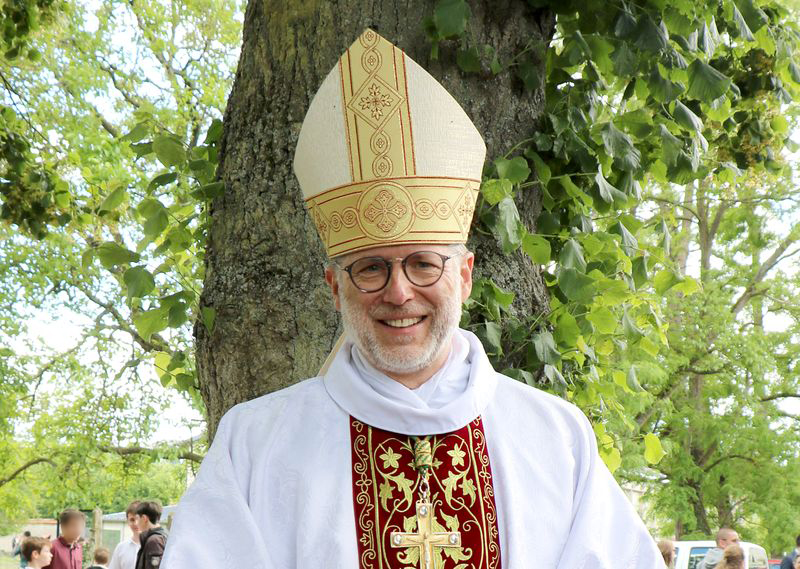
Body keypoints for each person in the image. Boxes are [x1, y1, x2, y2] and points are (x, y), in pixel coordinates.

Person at [162, 27, 664, 568]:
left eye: (424, 263)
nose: (399, 292)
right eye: (370, 268)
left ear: (465, 275)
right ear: (336, 289)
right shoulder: (255, 443)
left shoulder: (555, 438)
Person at [108, 501, 141, 569]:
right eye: (132, 520)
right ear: (127, 521)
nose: (136, 523)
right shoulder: (121, 547)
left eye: (138, 519)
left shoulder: (154, 545)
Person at [134, 501, 167, 569]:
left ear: (144, 518)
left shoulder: (154, 541)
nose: (136, 523)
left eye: (137, 519)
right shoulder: (161, 536)